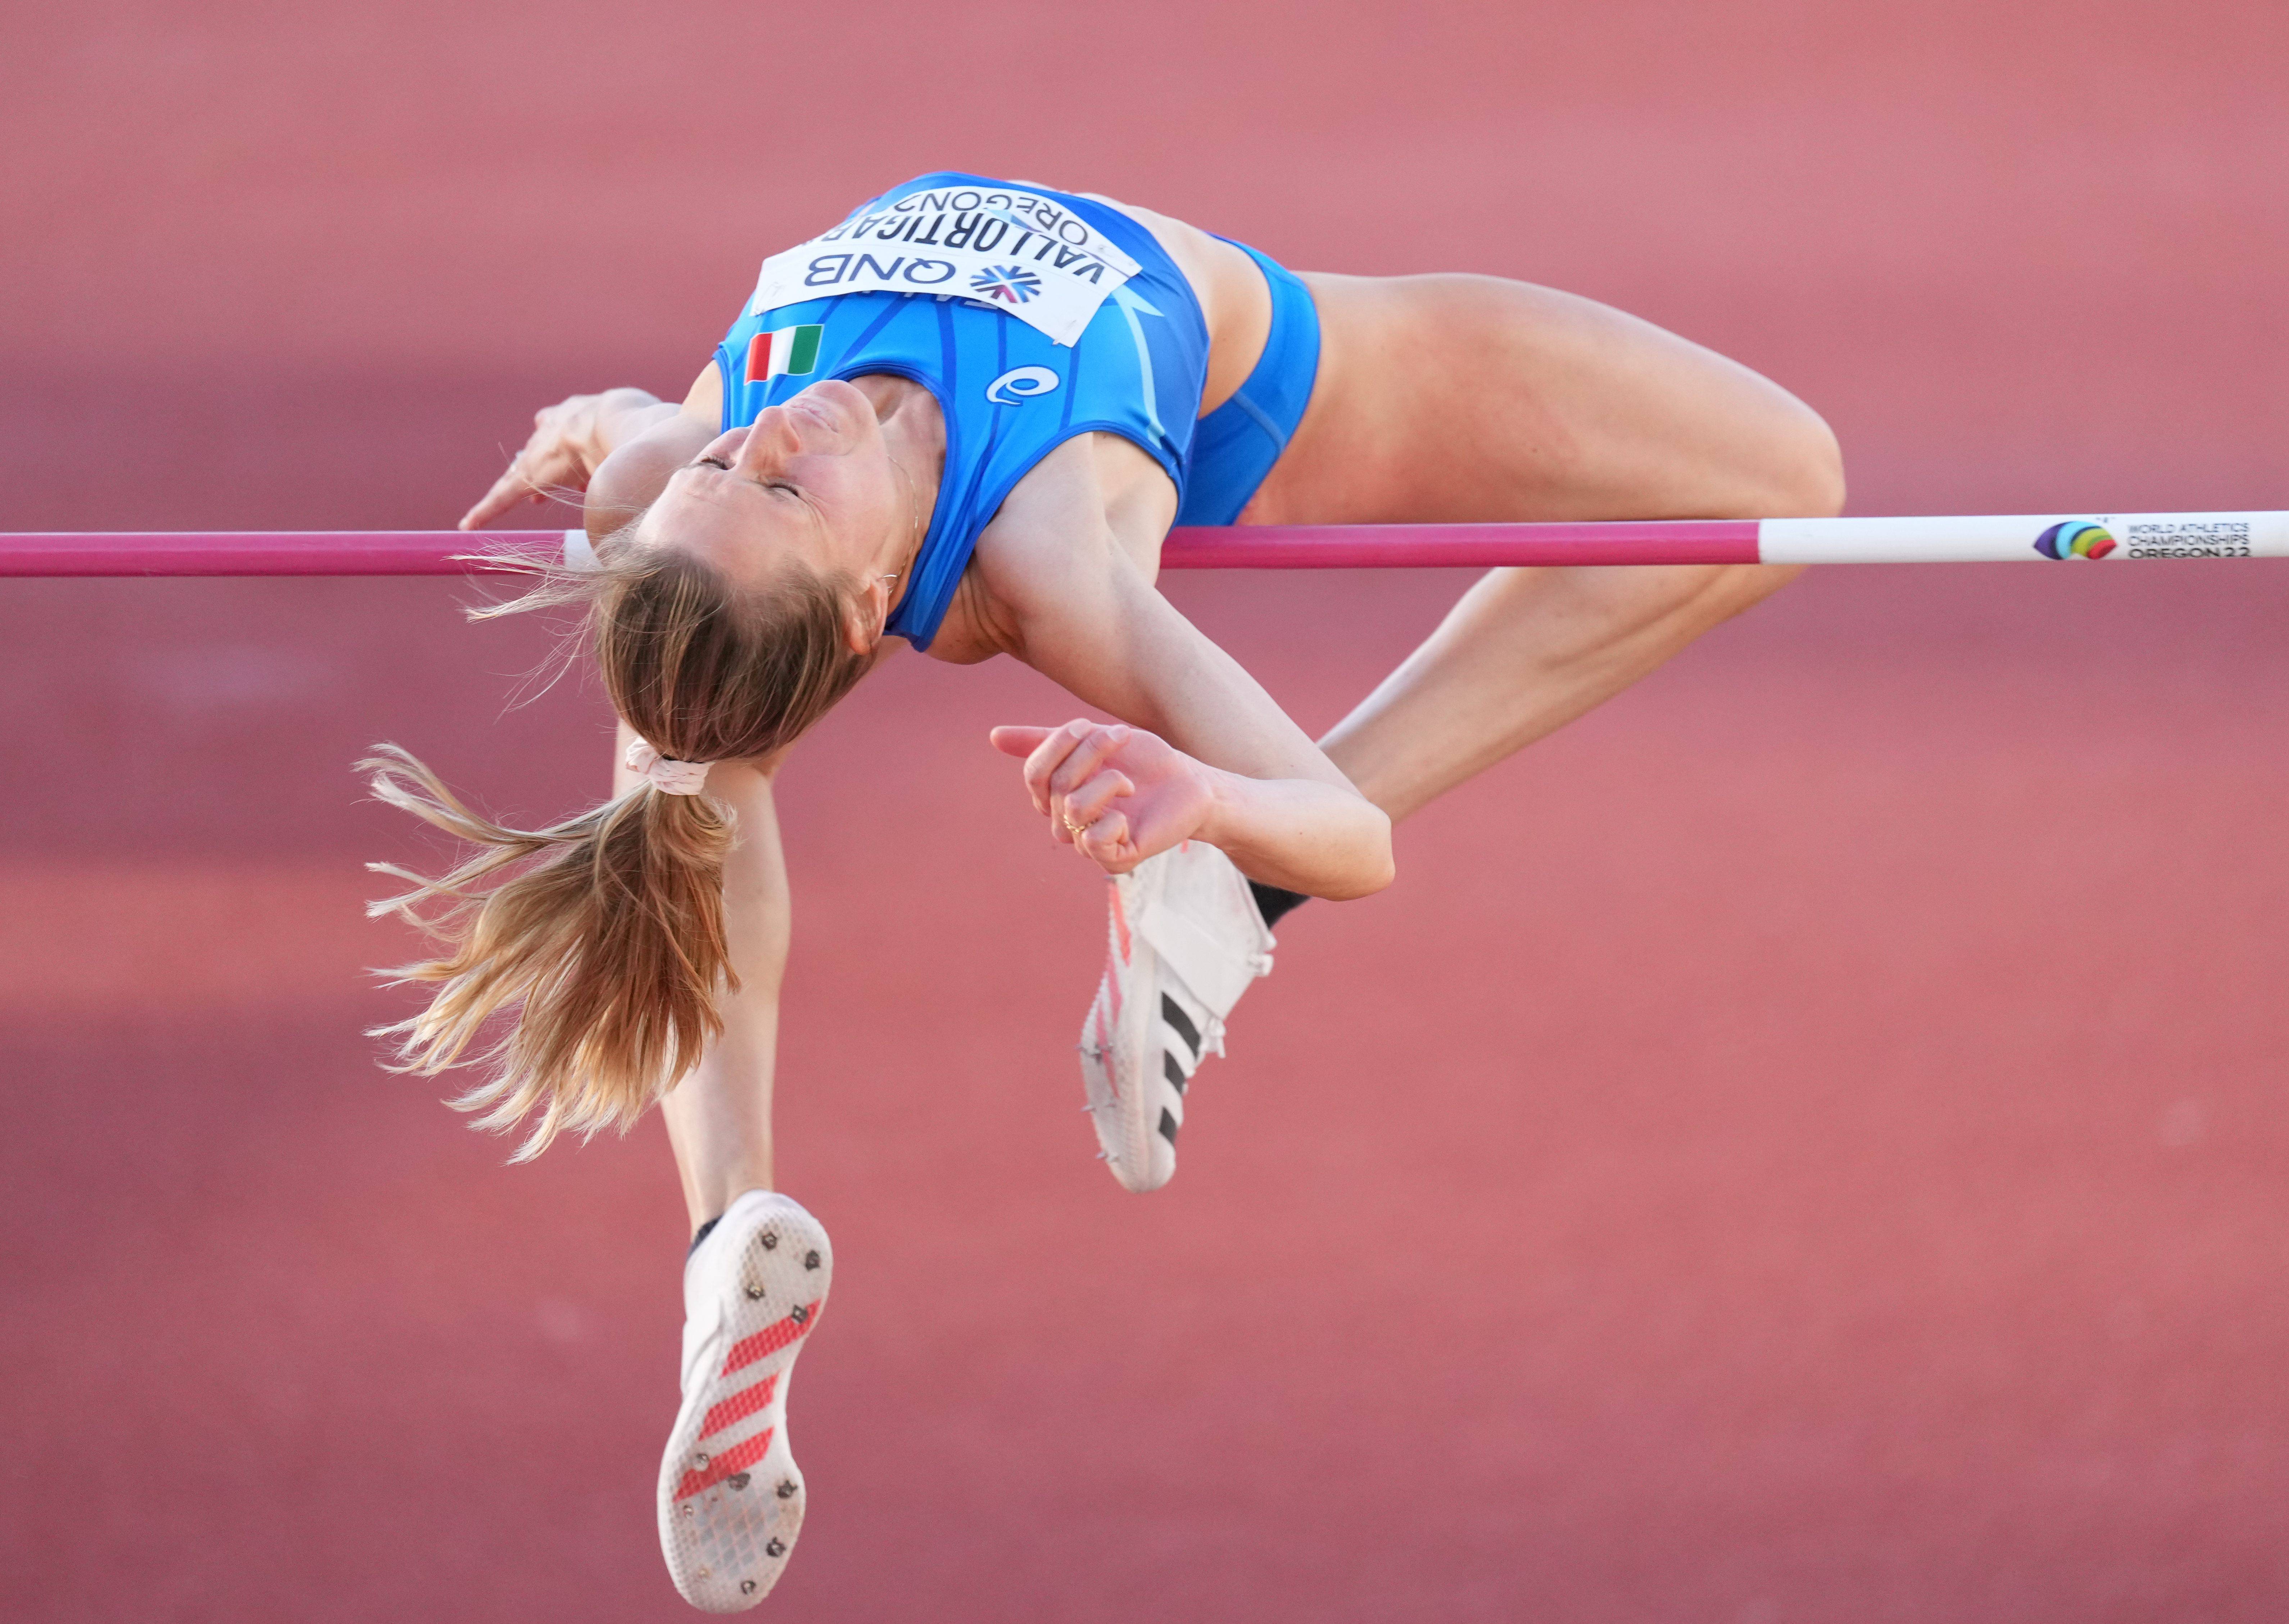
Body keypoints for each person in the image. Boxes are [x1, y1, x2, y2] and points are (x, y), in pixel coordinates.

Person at [371, 170, 1841, 1612]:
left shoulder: (671, 480)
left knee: (685, 725)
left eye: (729, 466)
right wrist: (1207, 803)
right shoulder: (1053, 559)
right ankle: (1217, 900)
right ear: (866, 608)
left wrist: (602, 429)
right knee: (1780, 480)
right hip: (1285, 391)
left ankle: (724, 1240)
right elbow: (1353, 839)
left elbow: (644, 440)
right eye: (778, 486)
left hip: (868, 515)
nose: (765, 436)